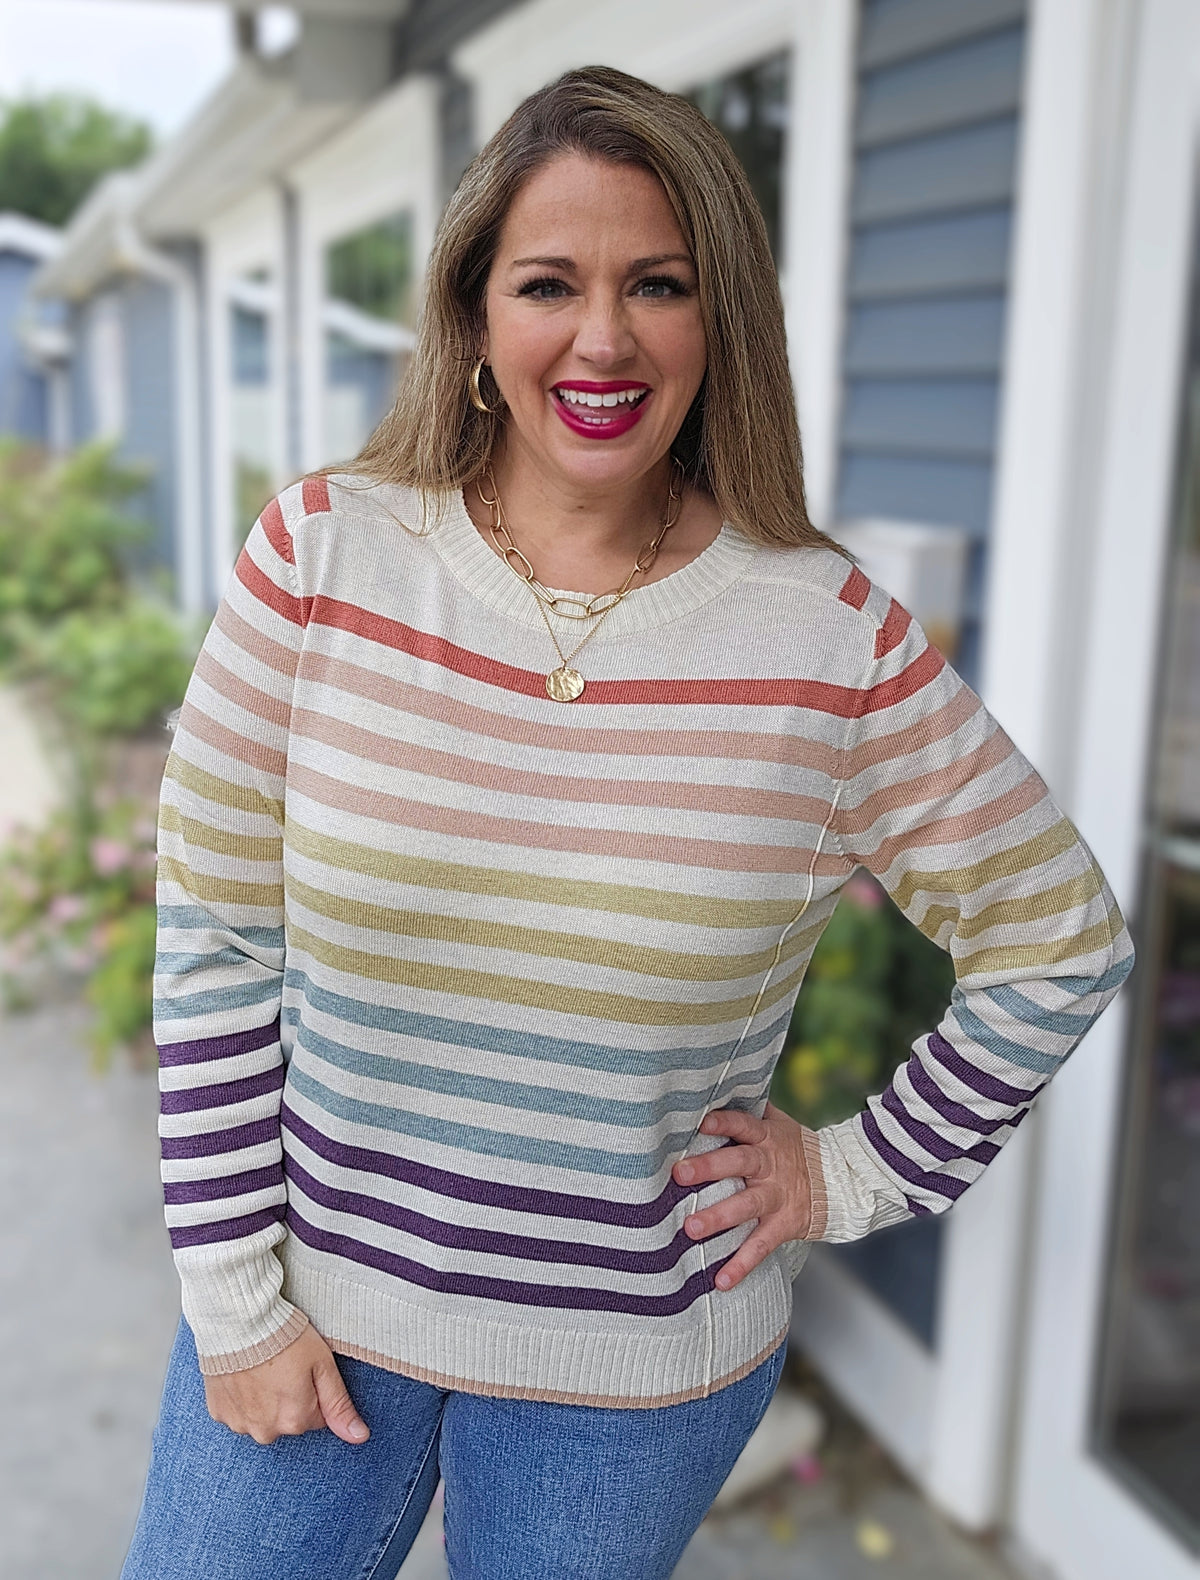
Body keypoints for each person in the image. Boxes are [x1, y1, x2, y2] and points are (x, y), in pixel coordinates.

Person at [122, 64, 1133, 1580]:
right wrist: (233, 1305)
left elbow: (1061, 940)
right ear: (474, 317)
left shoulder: (829, 642)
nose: (603, 338)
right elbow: (214, 943)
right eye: (549, 284)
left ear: (720, 322)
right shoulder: (323, 558)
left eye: (657, 284)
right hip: (308, 1317)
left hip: (630, 1391)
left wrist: (848, 1172)